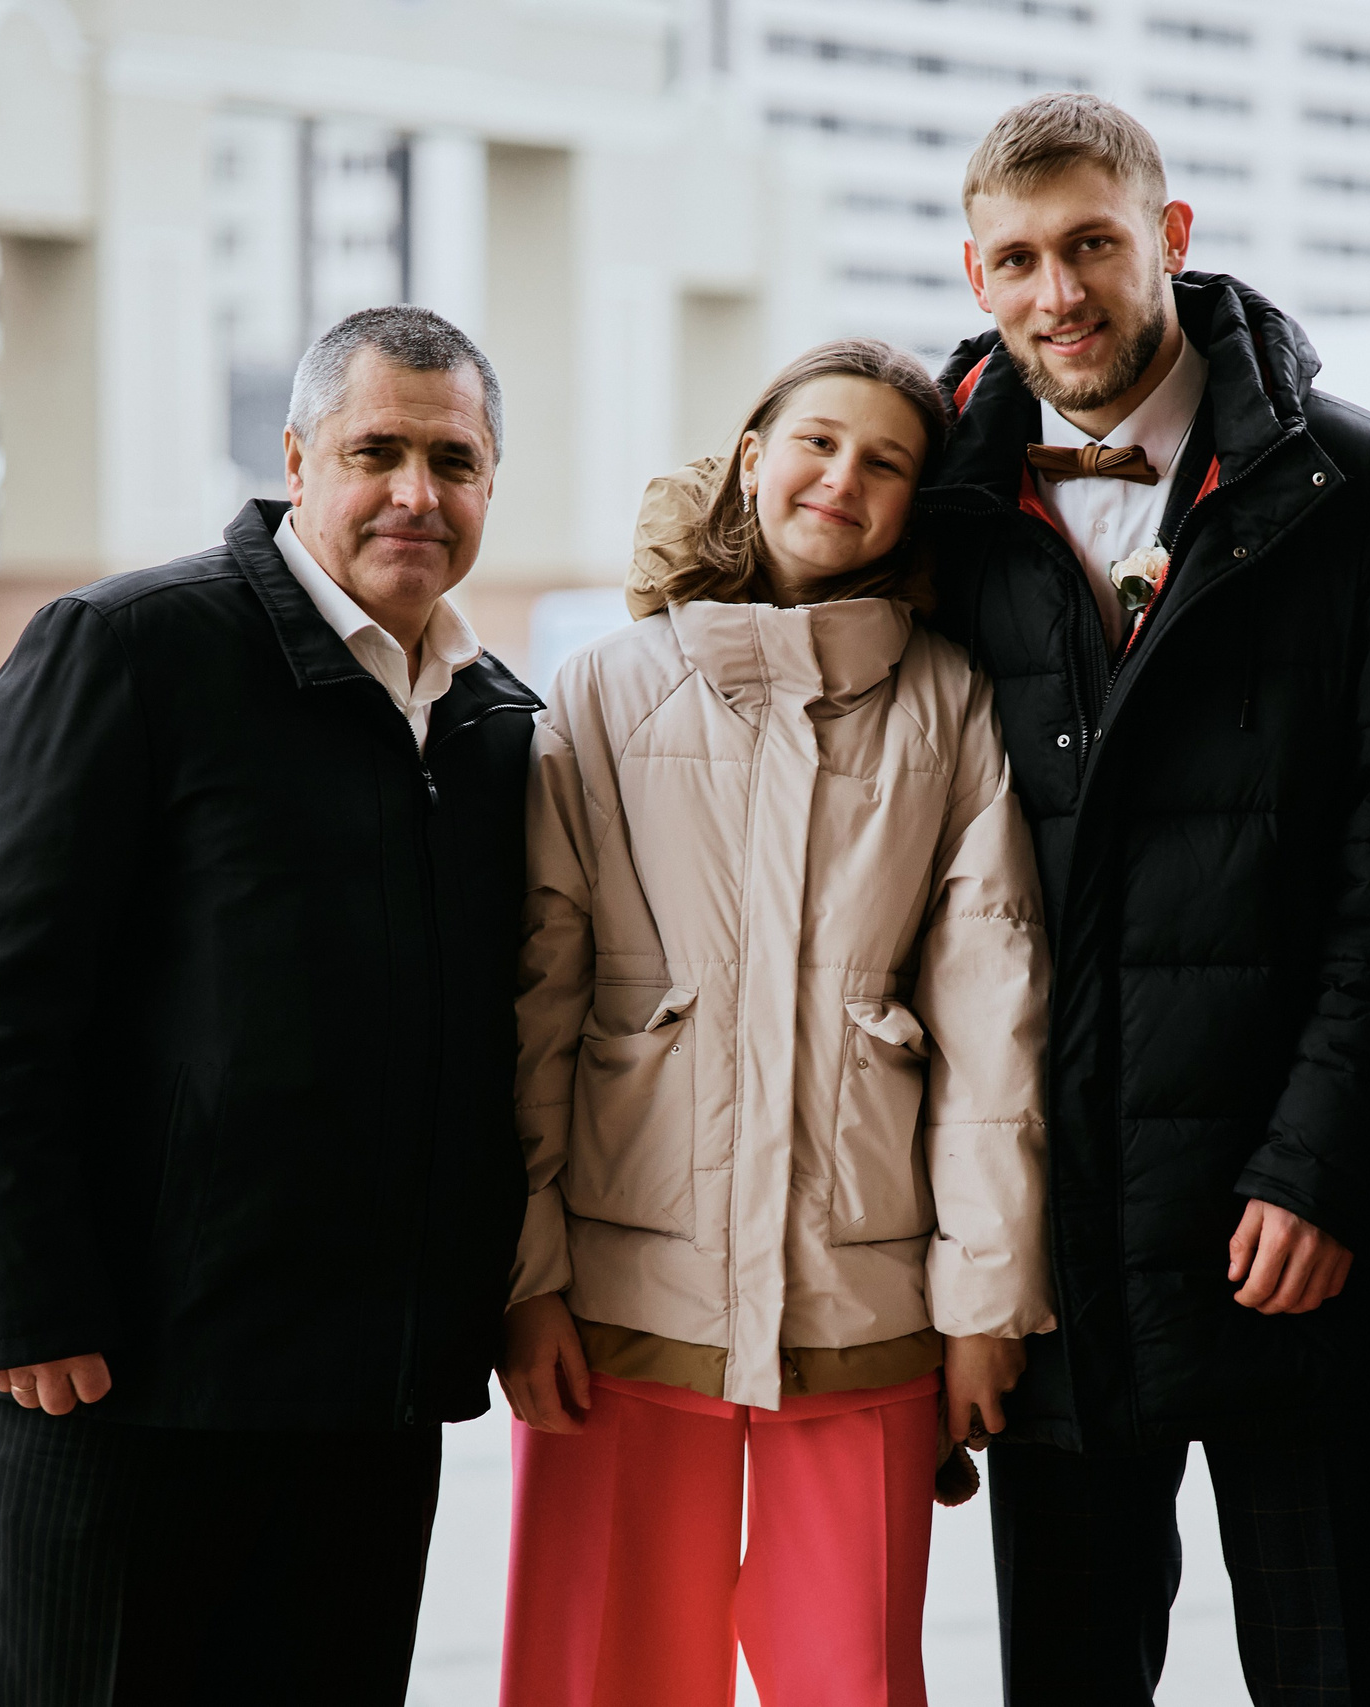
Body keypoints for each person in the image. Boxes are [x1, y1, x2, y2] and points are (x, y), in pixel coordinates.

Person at [914, 94, 1370, 1704]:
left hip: (1286, 1238)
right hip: (1057, 1251)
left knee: (1330, 1670)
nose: (1057, 293)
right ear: (975, 271)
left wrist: (1320, 1167)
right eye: (1016, 258)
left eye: (1092, 243)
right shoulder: (938, 506)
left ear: (1166, 238)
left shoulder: (1360, 487)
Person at [0, 306, 536, 1706]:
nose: (415, 495)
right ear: (298, 458)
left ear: (494, 482)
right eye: (377, 450)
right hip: (126, 1377)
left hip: (371, 1407)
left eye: (456, 461)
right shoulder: (129, 647)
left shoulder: (500, 724)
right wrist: (18, 1304)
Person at [495, 338, 1053, 1707]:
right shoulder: (607, 689)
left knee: (851, 1675)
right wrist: (526, 1278)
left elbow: (992, 1015)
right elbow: (539, 999)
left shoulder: (946, 699)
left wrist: (984, 1298)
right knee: (597, 1675)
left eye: (885, 464)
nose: (841, 480)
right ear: (753, 457)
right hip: (624, 1292)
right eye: (816, 442)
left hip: (862, 1289)